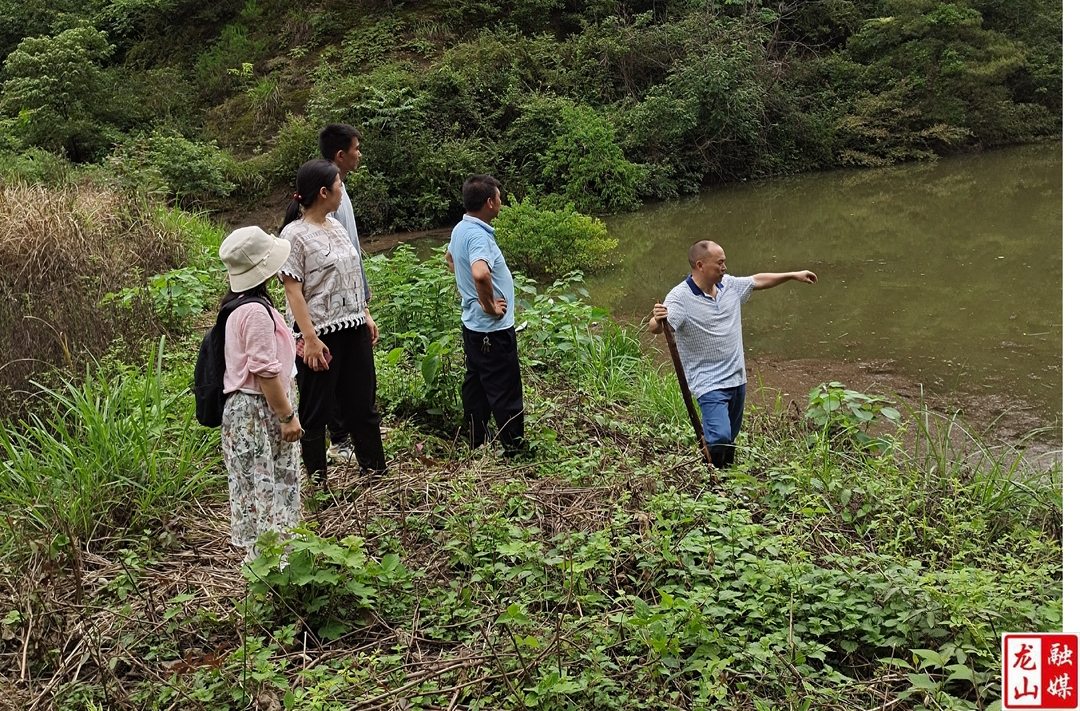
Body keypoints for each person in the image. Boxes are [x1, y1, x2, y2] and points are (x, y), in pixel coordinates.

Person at [648, 240, 817, 468]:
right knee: (719, 438)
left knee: (730, 438)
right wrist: (656, 319)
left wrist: (793, 275)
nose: (724, 267)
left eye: (724, 262)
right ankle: (713, 475)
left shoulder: (729, 286)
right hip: (708, 382)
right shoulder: (680, 297)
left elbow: (757, 280)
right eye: (720, 263)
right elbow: (660, 327)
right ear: (700, 265)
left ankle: (725, 478)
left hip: (737, 379)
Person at [279, 158, 387, 483]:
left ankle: (375, 470)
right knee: (317, 411)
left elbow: (351, 274)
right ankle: (318, 483)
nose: (343, 190)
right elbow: (293, 290)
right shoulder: (293, 235)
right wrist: (309, 338)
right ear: (324, 192)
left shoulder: (335, 226)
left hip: (352, 327)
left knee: (362, 402)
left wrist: (364, 314)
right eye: (339, 185)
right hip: (319, 335)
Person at [218, 226, 303, 562]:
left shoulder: (244, 305)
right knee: (267, 487)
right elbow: (264, 371)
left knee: (262, 487)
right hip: (257, 412)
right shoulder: (254, 311)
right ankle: (273, 566)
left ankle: (272, 562)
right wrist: (287, 416)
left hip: (252, 412)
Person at [445, 174, 525, 456]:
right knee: (505, 388)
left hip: (473, 327)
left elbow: (450, 259)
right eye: (499, 198)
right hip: (493, 329)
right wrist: (489, 305)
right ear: (490, 202)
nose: (501, 202)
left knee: (477, 383)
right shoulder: (479, 236)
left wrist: (466, 291)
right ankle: (514, 450)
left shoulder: (460, 229)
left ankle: (477, 438)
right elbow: (480, 272)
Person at [317, 122, 372, 466]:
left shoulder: (340, 189)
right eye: (355, 148)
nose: (359, 154)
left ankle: (353, 430)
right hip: (334, 302)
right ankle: (338, 439)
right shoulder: (325, 194)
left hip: (351, 297)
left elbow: (351, 247)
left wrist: (363, 296)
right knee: (335, 367)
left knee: (355, 367)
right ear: (341, 155)